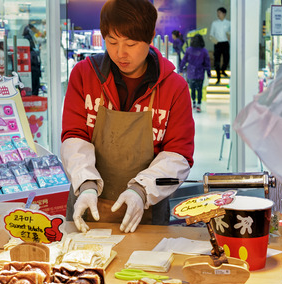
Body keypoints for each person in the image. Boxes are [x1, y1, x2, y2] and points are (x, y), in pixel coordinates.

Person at [61, 0, 195, 233]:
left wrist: (140, 191)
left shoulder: (174, 87)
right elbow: (74, 135)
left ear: (151, 37)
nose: (120, 53)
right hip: (88, 204)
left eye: (131, 44)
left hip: (146, 210)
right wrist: (86, 184)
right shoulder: (84, 75)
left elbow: (179, 155)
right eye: (112, 42)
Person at [180, 34, 211, 113]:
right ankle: (199, 105)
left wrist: (180, 69)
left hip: (191, 72)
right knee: (199, 89)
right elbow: (207, 63)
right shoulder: (204, 51)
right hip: (200, 72)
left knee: (192, 89)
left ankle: (193, 103)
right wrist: (209, 73)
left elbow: (184, 60)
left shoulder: (189, 50)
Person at [209, 7, 230, 85]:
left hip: (225, 43)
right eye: (218, 13)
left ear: (224, 14)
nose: (218, 14)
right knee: (217, 61)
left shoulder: (229, 23)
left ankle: (223, 70)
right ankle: (218, 78)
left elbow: (231, 33)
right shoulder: (214, 23)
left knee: (226, 59)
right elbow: (211, 34)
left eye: (220, 13)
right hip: (217, 44)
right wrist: (214, 40)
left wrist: (229, 35)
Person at [22, 24, 42, 95]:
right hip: (33, 66)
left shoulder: (30, 38)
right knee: (34, 88)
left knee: (35, 87)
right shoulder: (28, 38)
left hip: (34, 66)